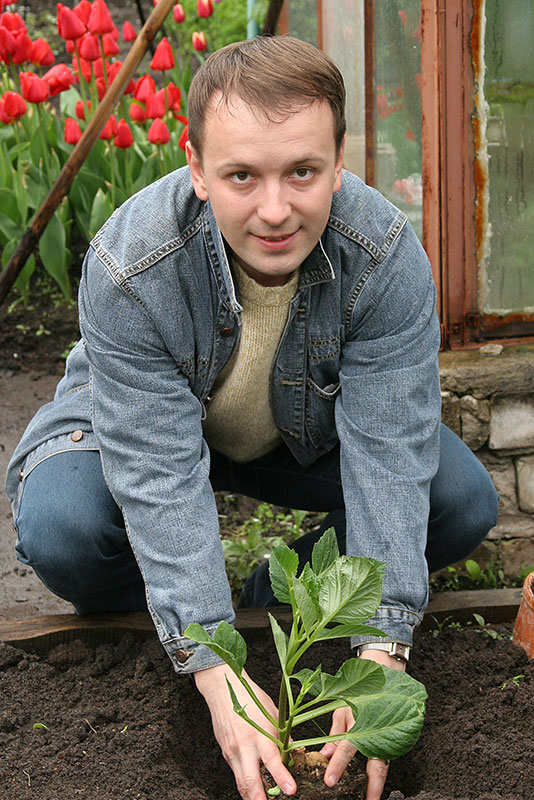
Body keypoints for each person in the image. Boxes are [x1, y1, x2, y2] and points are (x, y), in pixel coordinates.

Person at [5, 36, 498, 800]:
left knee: (457, 501)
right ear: (198, 171)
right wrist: (213, 662)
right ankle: (173, 611)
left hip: (302, 431)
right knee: (65, 529)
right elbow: (157, 471)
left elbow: (390, 456)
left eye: (303, 171)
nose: (276, 210)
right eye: (242, 175)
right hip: (146, 429)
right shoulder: (132, 266)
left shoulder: (384, 257)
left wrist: (381, 651)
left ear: (340, 160)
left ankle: (281, 589)